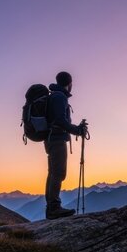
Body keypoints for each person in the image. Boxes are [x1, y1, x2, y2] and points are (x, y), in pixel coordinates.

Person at [44, 71, 88, 220]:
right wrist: (77, 130)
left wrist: (75, 129)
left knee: (53, 173)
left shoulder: (54, 96)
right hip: (57, 139)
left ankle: (51, 207)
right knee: (58, 173)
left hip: (51, 138)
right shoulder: (59, 97)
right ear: (69, 84)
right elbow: (60, 121)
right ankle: (54, 208)